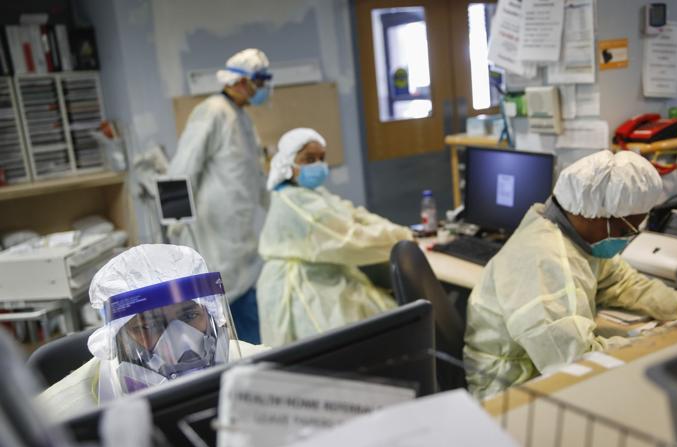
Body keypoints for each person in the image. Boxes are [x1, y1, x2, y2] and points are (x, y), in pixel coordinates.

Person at [464, 150, 677, 399]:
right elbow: (573, 362)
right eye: (625, 229)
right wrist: (657, 339)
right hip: (509, 391)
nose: (625, 239)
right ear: (595, 214)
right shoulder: (544, 260)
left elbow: (623, 283)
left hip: (540, 369)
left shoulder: (575, 236)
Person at [37, 244, 266, 421]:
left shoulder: (259, 366)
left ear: (211, 315)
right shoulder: (56, 419)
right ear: (118, 340)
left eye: (189, 316)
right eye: (148, 326)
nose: (181, 340)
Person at [257, 128, 413, 347]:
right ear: (289, 164)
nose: (318, 165)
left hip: (325, 273)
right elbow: (349, 240)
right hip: (302, 285)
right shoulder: (292, 201)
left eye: (321, 158)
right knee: (337, 348)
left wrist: (396, 231)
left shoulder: (313, 193)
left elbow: (353, 215)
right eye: (309, 159)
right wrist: (401, 238)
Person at [168, 48, 273, 344]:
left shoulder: (241, 118)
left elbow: (252, 177)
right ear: (241, 82)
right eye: (260, 82)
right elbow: (180, 171)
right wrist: (176, 225)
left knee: (246, 314)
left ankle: (255, 368)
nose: (263, 90)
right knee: (222, 320)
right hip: (212, 238)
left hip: (239, 239)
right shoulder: (211, 111)